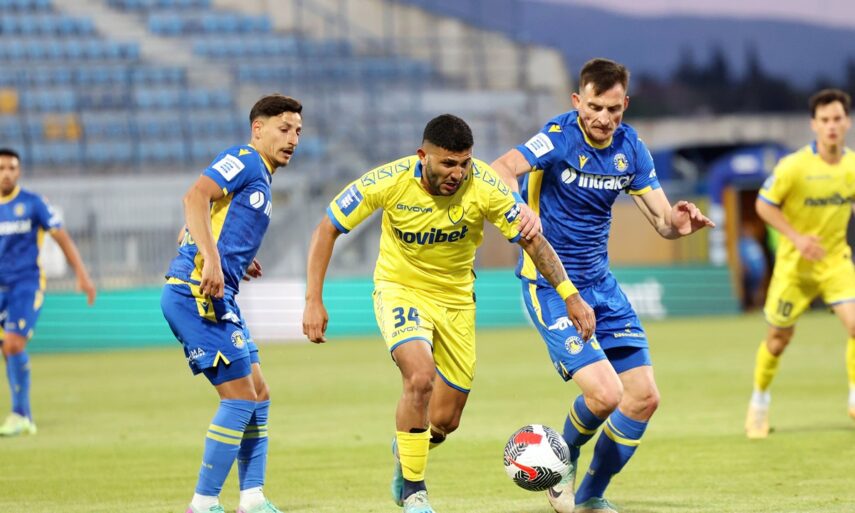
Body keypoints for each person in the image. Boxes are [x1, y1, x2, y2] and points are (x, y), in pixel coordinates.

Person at [302, 114, 595, 513]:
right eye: (448, 163)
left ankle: (406, 449)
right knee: (420, 377)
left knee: (444, 421)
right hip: (400, 291)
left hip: (456, 301)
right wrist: (313, 299)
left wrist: (570, 295)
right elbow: (327, 228)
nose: (458, 173)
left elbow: (533, 242)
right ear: (423, 156)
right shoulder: (388, 180)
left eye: (464, 163)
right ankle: (414, 490)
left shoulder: (485, 185)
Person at [490, 58, 714, 513]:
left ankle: (591, 496)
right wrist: (518, 207)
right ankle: (562, 462)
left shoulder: (632, 149)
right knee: (606, 394)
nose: (603, 118)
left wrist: (680, 224)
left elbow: (663, 222)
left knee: (644, 398)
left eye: (613, 109)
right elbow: (501, 168)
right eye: (594, 107)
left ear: (624, 105)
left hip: (601, 286)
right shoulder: (557, 136)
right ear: (578, 101)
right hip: (551, 286)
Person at [160, 94, 302, 513]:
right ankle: (203, 503)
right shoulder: (244, 159)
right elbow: (194, 198)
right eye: (284, 129)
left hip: (219, 296)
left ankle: (252, 498)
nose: (293, 139)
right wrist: (212, 260)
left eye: (297, 131)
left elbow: (194, 225)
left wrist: (231, 256)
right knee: (240, 398)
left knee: (259, 393)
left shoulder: (261, 176)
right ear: (258, 129)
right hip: (196, 294)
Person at [745, 88, 855, 439]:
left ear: (847, 122)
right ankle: (759, 401)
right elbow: (764, 205)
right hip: (794, 267)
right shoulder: (794, 166)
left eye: (837, 118)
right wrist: (796, 237)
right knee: (778, 340)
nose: (832, 126)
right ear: (814, 125)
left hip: (835, 262)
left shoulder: (852, 166)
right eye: (825, 120)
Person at [0, 148, 96, 437]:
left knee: (13, 344)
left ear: (19, 171)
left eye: (11, 168)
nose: (6, 173)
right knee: (7, 348)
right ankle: (24, 414)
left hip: (26, 285)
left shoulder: (33, 203)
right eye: (2, 168)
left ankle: (20, 414)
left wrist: (82, 274)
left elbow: (62, 237)